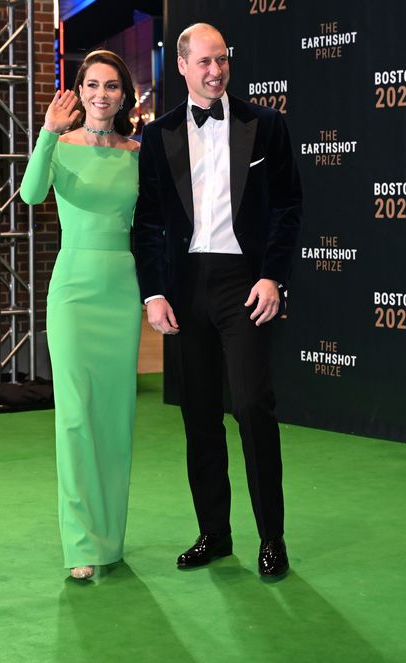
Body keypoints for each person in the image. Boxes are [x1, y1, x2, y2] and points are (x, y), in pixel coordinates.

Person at [134, 23, 302, 577]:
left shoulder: (266, 126)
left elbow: (287, 208)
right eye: (204, 61)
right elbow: (149, 221)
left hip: (242, 283)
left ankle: (271, 538)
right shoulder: (157, 136)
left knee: (253, 406)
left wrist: (272, 276)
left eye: (222, 60)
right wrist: (154, 293)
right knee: (199, 415)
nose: (215, 70)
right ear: (181, 66)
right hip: (186, 287)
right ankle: (214, 533)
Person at [21, 50, 141, 581]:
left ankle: (110, 539)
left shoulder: (139, 152)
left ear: (123, 94)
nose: (100, 94)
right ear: (77, 91)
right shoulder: (60, 146)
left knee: (115, 419)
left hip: (121, 289)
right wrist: (47, 132)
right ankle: (80, 545)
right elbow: (29, 194)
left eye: (111, 86)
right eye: (91, 85)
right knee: (74, 418)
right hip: (72, 291)